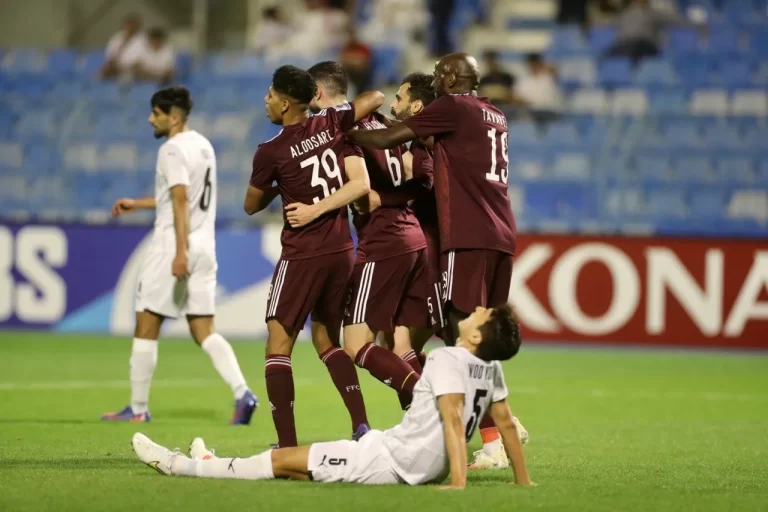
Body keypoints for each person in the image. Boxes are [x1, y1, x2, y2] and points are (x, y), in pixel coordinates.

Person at [132, 304, 535, 490]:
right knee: (292, 470)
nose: (478, 307)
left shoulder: (448, 358)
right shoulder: (491, 369)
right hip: (397, 452)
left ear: (477, 336)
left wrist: (459, 484)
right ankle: (210, 462)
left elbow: (451, 419)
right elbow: (505, 427)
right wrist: (523, 481)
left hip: (390, 462)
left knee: (280, 460)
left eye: (482, 314)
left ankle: (182, 466)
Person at [346, 52, 525, 469]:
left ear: (447, 78)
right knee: (474, 335)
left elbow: (387, 139)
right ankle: (495, 429)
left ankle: (491, 434)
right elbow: (439, 147)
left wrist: (339, 128)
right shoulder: (493, 113)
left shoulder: (453, 106)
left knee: (460, 330)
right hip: (501, 233)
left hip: (467, 235)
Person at [243, 65, 385, 447]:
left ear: (286, 103)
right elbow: (375, 98)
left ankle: (287, 444)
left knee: (278, 342)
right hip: (342, 249)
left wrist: (280, 183)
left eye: (271, 95)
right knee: (326, 338)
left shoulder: (270, 151)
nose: (267, 101)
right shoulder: (332, 124)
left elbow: (250, 205)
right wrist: (332, 117)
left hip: (304, 252)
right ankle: (361, 426)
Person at [102, 87, 257, 425]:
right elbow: (181, 196)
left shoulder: (171, 150)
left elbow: (182, 199)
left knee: (146, 323)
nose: (149, 119)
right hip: (206, 245)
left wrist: (180, 251)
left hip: (175, 245)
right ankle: (243, 393)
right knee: (204, 329)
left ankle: (138, 409)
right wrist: (139, 203)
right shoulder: (203, 145)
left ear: (172, 117)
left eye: (155, 114)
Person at [306, 61, 428, 410]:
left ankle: (432, 403)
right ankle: (425, 425)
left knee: (357, 344)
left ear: (318, 93)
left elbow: (360, 188)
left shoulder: (344, 131)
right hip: (412, 235)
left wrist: (349, 206)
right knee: (398, 345)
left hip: (383, 239)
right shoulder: (382, 124)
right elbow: (408, 171)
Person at [377, 72, 441, 365]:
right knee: (397, 345)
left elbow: (424, 183)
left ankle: (494, 412)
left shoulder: (423, 147)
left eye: (400, 97)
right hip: (431, 248)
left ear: (416, 106)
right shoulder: (429, 140)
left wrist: (383, 198)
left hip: (428, 252)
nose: (394, 101)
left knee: (400, 347)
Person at [514, 53, 563, 126]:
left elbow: (555, 70)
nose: (534, 66)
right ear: (528, 64)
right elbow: (517, 98)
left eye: (536, 63)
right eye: (532, 63)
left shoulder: (548, 78)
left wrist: (545, 68)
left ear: (540, 63)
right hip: (531, 112)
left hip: (549, 111)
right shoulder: (523, 81)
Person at [100, 13, 145, 79]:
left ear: (138, 26)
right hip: (116, 68)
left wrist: (125, 67)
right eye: (128, 24)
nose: (130, 27)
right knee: (104, 71)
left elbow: (141, 60)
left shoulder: (143, 39)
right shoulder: (117, 37)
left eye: (133, 25)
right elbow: (109, 55)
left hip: (134, 70)